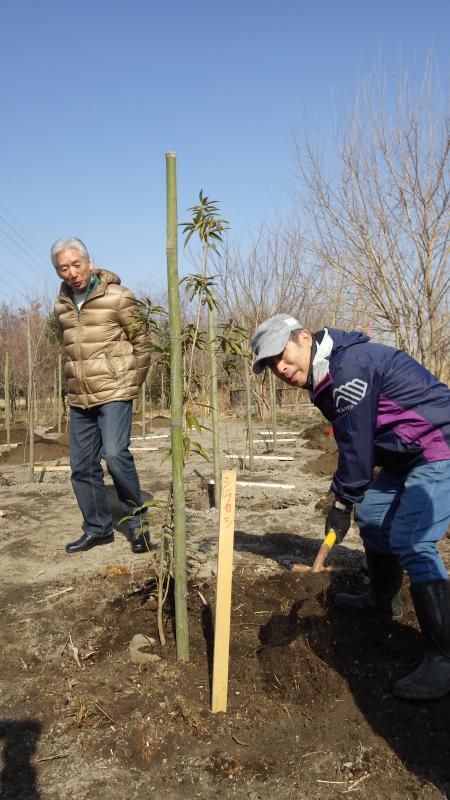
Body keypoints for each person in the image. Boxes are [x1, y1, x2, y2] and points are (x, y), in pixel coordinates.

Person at [251, 314, 450, 700]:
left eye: (282, 355)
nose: (281, 367)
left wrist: (341, 502)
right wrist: (349, 500)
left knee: (413, 539)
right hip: (404, 454)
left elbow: (357, 450)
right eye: (271, 364)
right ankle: (383, 596)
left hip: (437, 443)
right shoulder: (326, 375)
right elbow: (353, 442)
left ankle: (443, 655)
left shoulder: (349, 369)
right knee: (374, 517)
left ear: (304, 338)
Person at [52, 236, 152, 555]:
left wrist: (129, 384)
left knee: (115, 454)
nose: (71, 272)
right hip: (80, 397)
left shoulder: (119, 297)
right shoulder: (62, 307)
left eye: (76, 264)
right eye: (63, 268)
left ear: (89, 263)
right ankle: (98, 528)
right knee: (81, 465)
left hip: (115, 391)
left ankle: (138, 524)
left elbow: (144, 344)